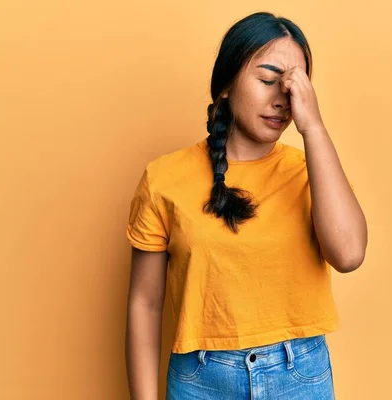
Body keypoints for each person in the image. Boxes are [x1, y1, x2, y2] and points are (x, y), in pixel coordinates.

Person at [124, 11, 368, 400]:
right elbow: (145, 303)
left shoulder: (312, 174)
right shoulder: (164, 179)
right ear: (225, 84)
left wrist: (314, 127)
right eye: (269, 80)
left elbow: (350, 254)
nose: (281, 100)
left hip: (299, 376)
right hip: (199, 380)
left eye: (293, 88)